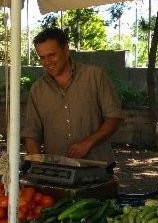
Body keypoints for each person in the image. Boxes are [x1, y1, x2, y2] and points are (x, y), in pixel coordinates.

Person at [24, 27, 123, 162]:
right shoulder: (37, 89)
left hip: (97, 169)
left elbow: (114, 118)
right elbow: (32, 134)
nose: (47, 62)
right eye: (42, 57)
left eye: (52, 55)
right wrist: (36, 164)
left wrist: (88, 142)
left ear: (66, 50)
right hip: (57, 171)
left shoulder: (94, 76)